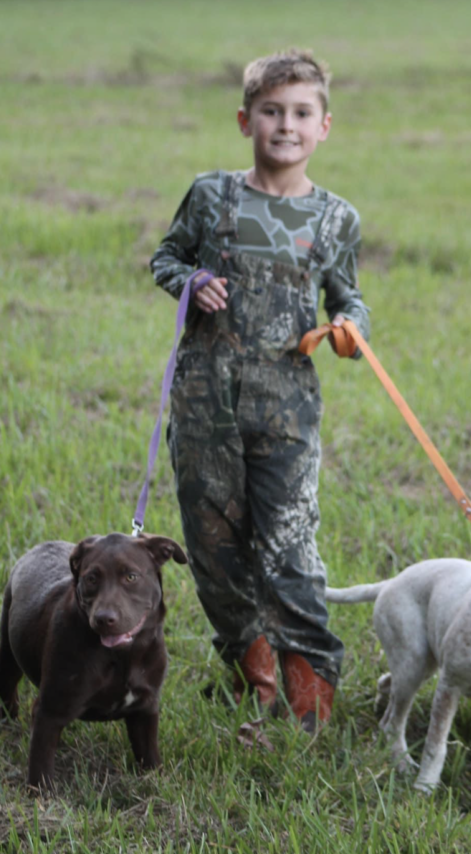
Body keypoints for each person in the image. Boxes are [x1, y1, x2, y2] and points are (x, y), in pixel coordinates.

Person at [150, 49, 370, 732]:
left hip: (286, 410)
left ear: (323, 126)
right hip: (202, 403)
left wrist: (345, 329)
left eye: (301, 112)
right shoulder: (211, 194)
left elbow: (350, 299)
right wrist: (188, 281)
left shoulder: (336, 218)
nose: (285, 125)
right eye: (271, 111)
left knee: (289, 548)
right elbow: (165, 257)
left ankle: (309, 701)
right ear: (246, 119)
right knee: (213, 549)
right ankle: (255, 672)